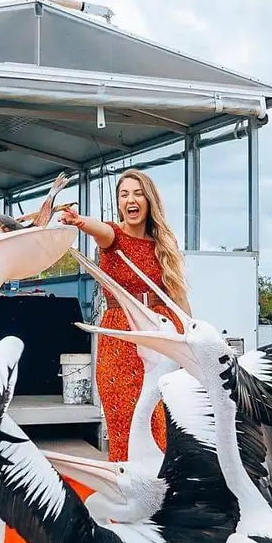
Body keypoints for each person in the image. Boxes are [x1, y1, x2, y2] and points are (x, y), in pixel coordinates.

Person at [60, 169, 190, 462]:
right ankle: (125, 502)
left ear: (149, 200)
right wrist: (80, 221)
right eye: (124, 194)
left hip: (160, 334)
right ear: (118, 203)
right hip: (122, 338)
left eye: (137, 193)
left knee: (161, 423)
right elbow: (100, 229)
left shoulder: (164, 244)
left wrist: (189, 342)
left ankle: (160, 500)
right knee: (124, 421)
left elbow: (180, 298)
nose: (131, 200)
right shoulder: (113, 237)